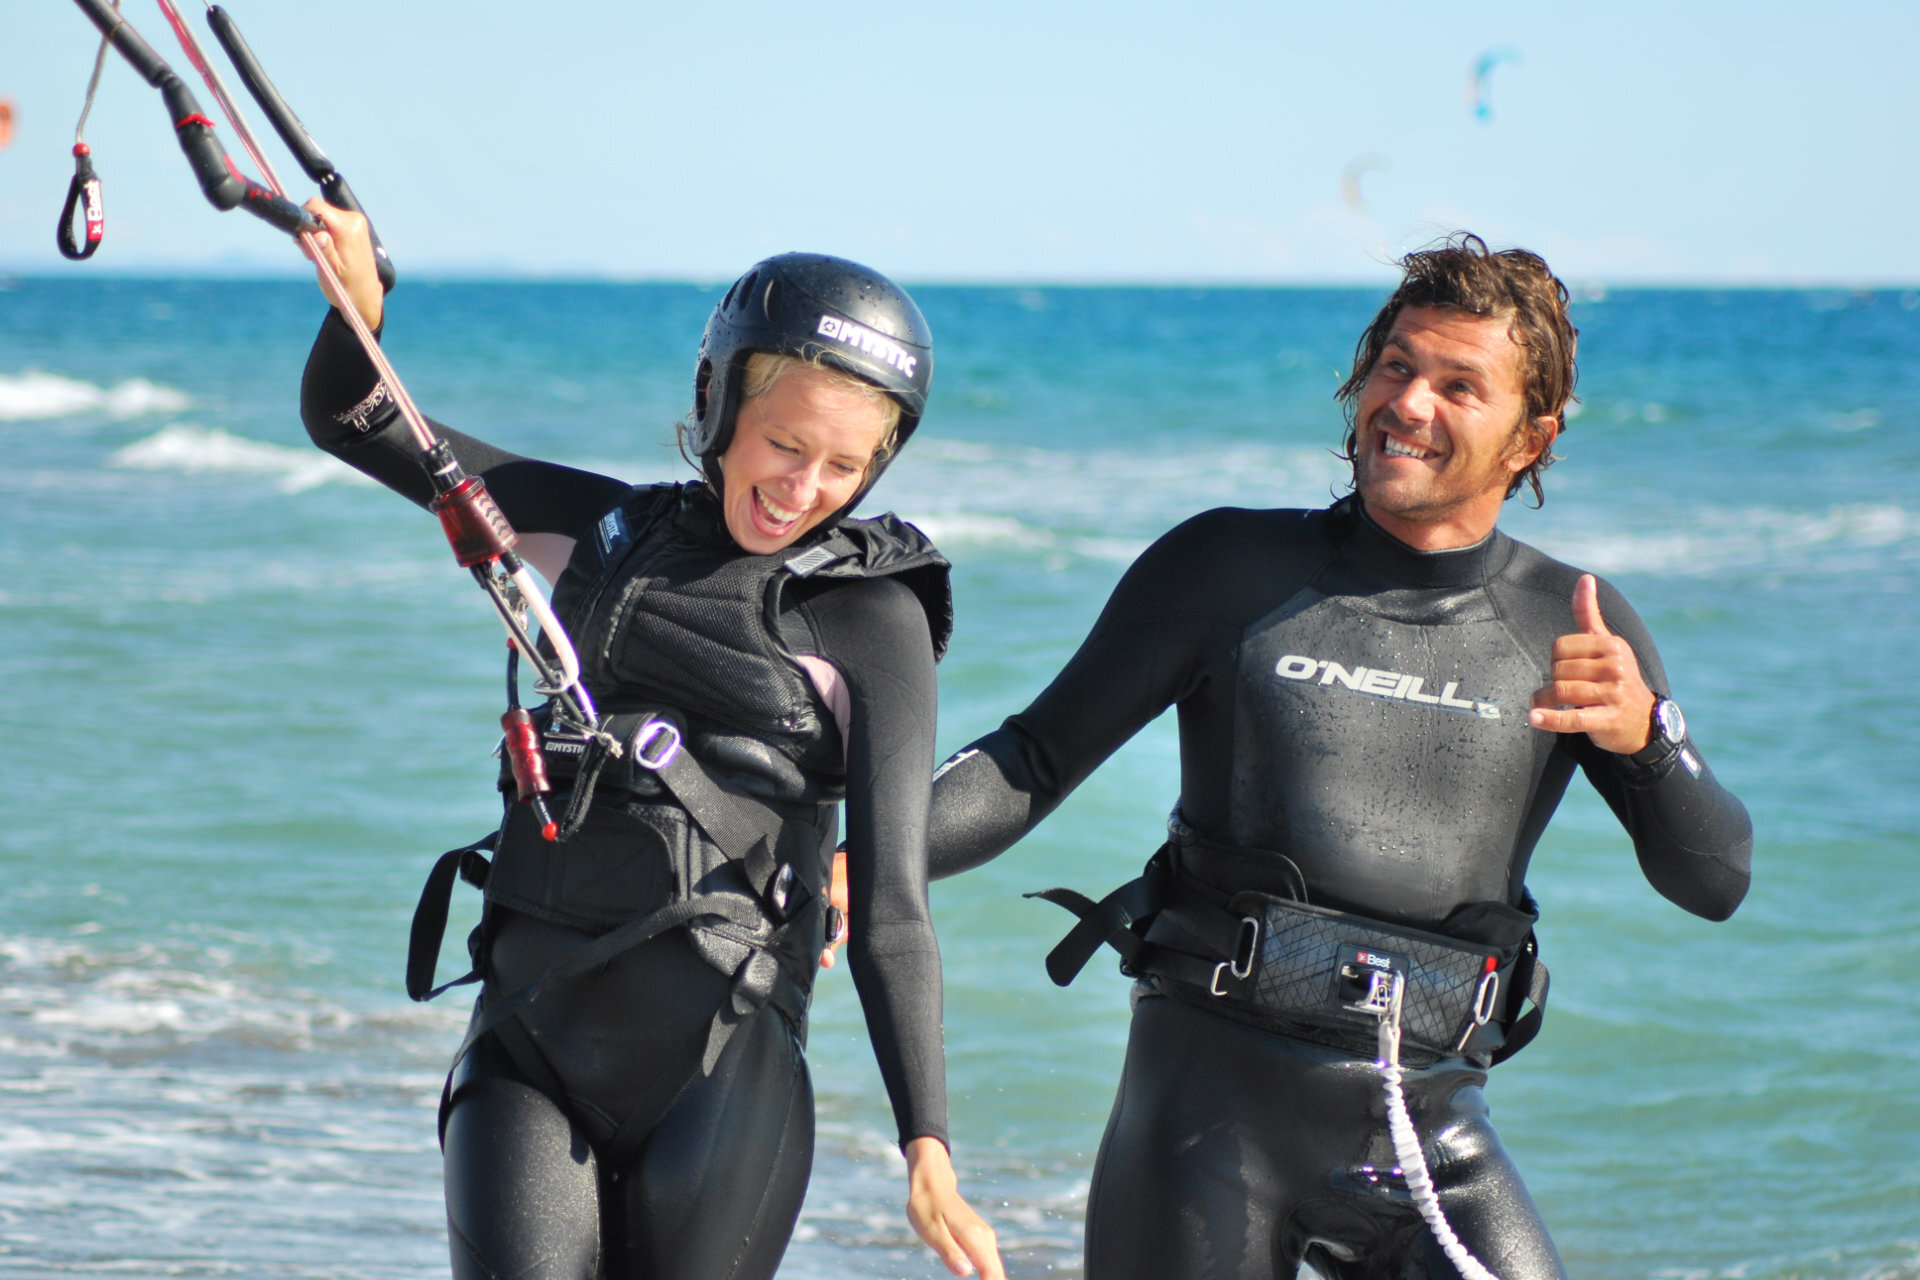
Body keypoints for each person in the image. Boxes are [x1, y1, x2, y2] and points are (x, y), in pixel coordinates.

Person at [919, 234, 1752, 1279]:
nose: (1408, 403)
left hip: (1432, 1137)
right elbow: (1031, 758)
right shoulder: (1226, 569)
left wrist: (1644, 741)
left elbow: (1715, 877)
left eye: (1459, 385)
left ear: (1532, 438)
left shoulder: (1569, 625)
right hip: (1204, 1127)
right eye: (1397, 366)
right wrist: (864, 854)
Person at [296, 204, 1003, 1280]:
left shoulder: (872, 620)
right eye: (784, 443)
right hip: (527, 1041)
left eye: (844, 467)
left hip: (723, 1064)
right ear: (716, 399)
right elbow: (358, 422)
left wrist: (929, 1149)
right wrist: (356, 307)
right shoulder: (606, 532)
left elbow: (895, 909)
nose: (802, 489)